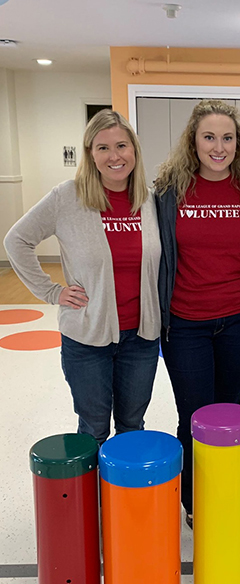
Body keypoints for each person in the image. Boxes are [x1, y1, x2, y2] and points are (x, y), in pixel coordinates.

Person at [4, 110, 161, 445]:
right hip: (87, 338)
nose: (114, 156)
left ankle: (124, 498)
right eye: (103, 148)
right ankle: (91, 499)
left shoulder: (150, 199)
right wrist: (51, 291)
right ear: (90, 153)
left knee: (133, 425)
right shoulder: (67, 196)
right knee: (94, 429)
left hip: (141, 337)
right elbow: (16, 240)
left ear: (134, 149)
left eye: (122, 145)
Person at [154, 100, 240, 526]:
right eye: (209, 137)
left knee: (229, 410)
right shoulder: (169, 191)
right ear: (193, 142)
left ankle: (227, 491)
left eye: (227, 138)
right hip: (184, 323)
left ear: (238, 144)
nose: (218, 147)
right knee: (194, 414)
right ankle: (195, 501)